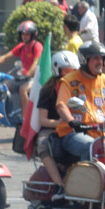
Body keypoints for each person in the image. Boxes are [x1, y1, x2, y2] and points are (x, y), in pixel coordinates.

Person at [55, 41, 105, 162]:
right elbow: (61, 105)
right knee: (91, 147)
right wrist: (72, 121)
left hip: (100, 133)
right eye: (96, 58)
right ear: (84, 60)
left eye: (102, 58)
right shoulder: (69, 80)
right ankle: (88, 179)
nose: (100, 62)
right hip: (73, 133)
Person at [35, 50, 80, 199]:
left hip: (74, 128)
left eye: (72, 71)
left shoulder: (78, 89)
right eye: (65, 71)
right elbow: (43, 120)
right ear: (56, 70)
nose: (69, 74)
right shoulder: (47, 91)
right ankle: (60, 185)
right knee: (43, 145)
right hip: (51, 130)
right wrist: (62, 122)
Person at [0, 20, 43, 112]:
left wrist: (27, 75)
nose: (24, 37)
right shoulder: (22, 46)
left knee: (23, 90)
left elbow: (36, 63)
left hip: (35, 78)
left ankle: (25, 118)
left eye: (27, 34)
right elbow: (5, 57)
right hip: (23, 78)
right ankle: (7, 112)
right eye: (23, 34)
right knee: (3, 86)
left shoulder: (37, 46)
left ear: (33, 35)